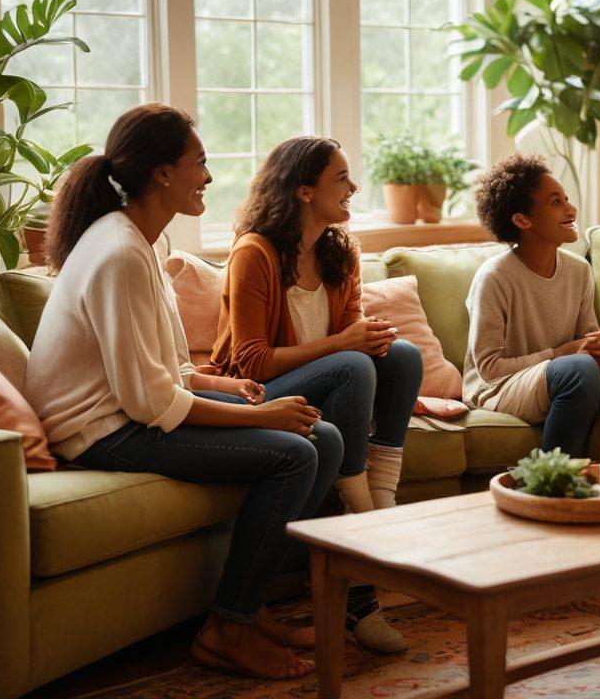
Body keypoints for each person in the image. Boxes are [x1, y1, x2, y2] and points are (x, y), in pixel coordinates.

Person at [25, 104, 342, 681]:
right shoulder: (119, 252)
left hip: (128, 409)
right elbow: (148, 402)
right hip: (100, 431)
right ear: (163, 172)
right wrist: (259, 416)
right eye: (200, 162)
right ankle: (228, 629)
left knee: (324, 434)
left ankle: (248, 606)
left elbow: (166, 368)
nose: (210, 176)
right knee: (295, 452)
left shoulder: (140, 241)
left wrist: (231, 388)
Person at [211, 136, 422, 654]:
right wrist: (347, 345)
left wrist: (366, 339)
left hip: (328, 389)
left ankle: (380, 496)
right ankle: (364, 518)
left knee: (403, 355)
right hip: (255, 394)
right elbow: (252, 361)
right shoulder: (254, 252)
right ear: (304, 190)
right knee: (351, 361)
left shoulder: (339, 250)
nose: (353, 187)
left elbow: (354, 342)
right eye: (341, 179)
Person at [463, 153, 600, 456]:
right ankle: (556, 483)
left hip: (566, 375)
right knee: (578, 368)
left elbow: (587, 338)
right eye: (556, 202)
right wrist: (562, 354)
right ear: (521, 219)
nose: (571, 208)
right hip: (500, 388)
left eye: (567, 199)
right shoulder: (495, 277)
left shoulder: (579, 269)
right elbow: (490, 369)